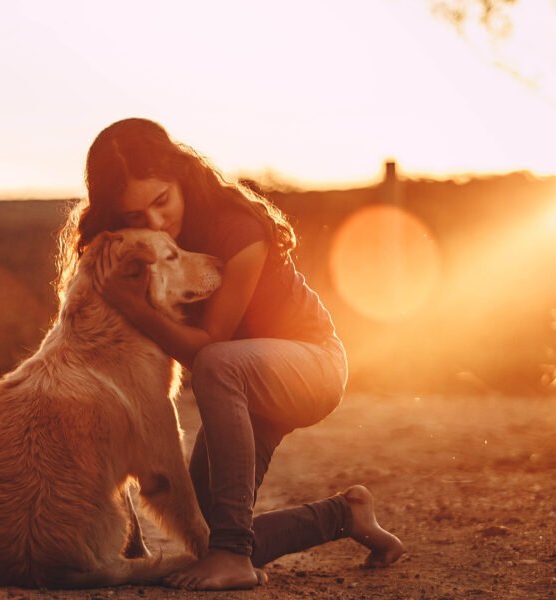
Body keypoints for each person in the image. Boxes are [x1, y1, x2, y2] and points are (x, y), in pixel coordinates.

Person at [56, 118, 405, 590]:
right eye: (136, 216)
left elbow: (208, 348)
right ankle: (345, 515)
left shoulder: (237, 229)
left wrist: (132, 307)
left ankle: (233, 559)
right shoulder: (134, 247)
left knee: (219, 364)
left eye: (161, 201)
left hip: (310, 365)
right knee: (206, 532)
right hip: (242, 382)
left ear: (181, 174)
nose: (156, 223)